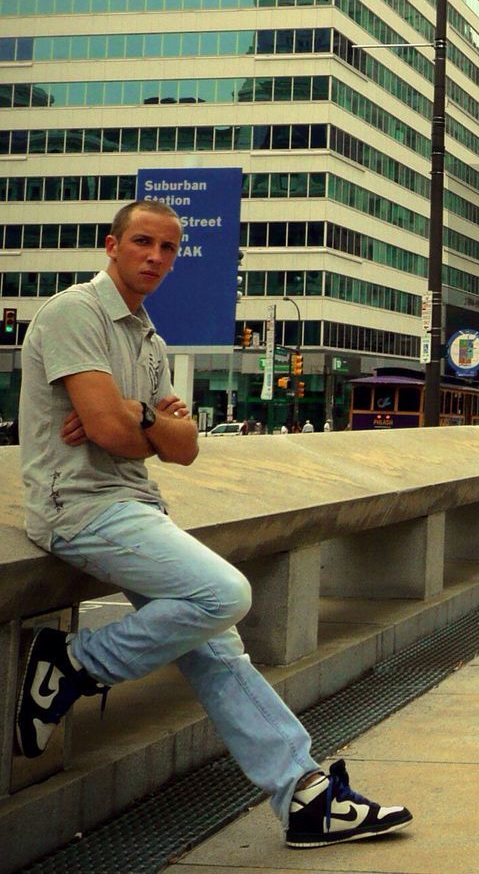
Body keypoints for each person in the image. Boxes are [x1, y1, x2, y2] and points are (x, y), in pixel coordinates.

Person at [14, 200, 411, 849]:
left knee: (222, 654)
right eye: (142, 242)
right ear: (110, 245)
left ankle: (303, 797)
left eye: (168, 249)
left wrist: (135, 415)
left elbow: (185, 447)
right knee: (224, 595)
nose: (155, 258)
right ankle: (76, 662)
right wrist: (146, 423)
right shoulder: (72, 314)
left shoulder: (150, 339)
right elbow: (123, 433)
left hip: (137, 506)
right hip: (79, 506)